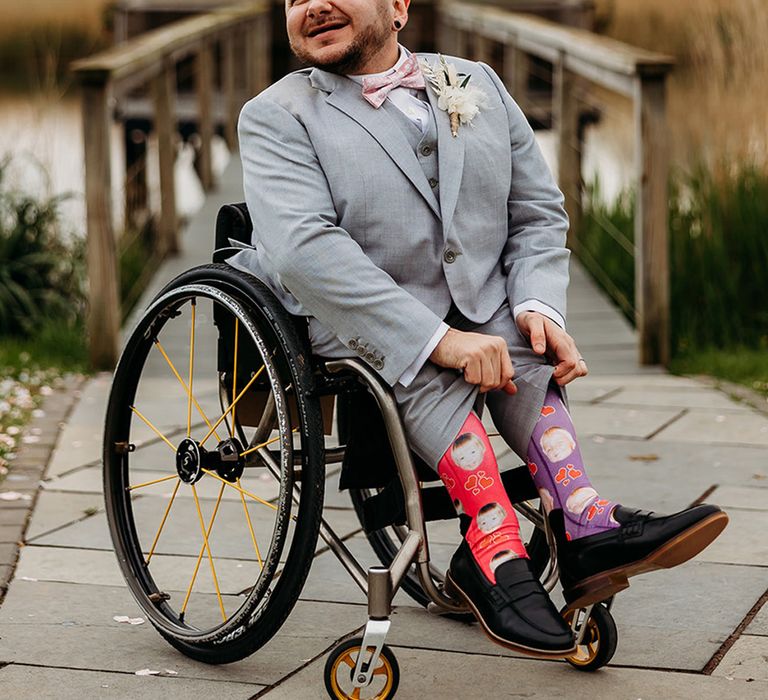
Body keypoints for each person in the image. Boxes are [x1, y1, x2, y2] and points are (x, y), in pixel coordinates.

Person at [228, 0, 728, 657]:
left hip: (481, 303)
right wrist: (439, 339)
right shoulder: (276, 115)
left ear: (400, 6)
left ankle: (582, 524)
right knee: (430, 364)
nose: (314, 5)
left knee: (521, 343)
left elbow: (538, 210)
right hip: (357, 319)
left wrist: (538, 306)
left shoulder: (474, 83)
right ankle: (491, 545)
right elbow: (304, 252)